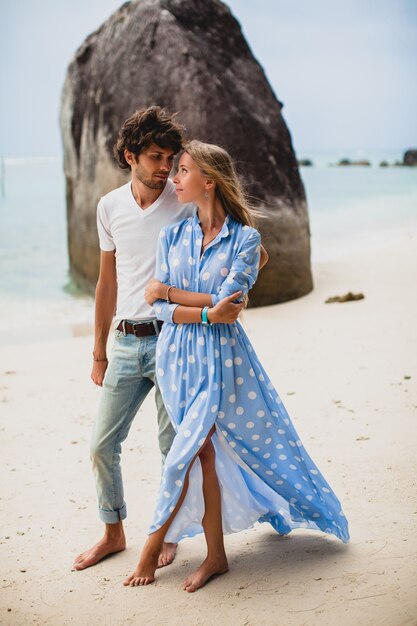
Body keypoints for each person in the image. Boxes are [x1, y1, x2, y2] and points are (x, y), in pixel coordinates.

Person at [123, 140, 349, 592]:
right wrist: (196, 306)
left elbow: (232, 304)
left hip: (222, 357)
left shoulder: (246, 239)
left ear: (209, 181)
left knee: (183, 455)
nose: (174, 178)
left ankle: (152, 545)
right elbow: (169, 312)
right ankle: (217, 557)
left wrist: (170, 292)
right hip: (176, 357)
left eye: (183, 170)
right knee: (203, 453)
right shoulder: (173, 234)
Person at [73, 108, 268, 572]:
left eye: (170, 160)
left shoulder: (183, 198)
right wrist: (98, 350)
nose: (166, 168)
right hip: (125, 340)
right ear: (130, 157)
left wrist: (223, 298)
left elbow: (254, 253)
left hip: (175, 341)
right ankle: (113, 532)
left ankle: (171, 534)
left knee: (173, 447)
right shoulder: (109, 207)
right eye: (156, 158)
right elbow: (107, 283)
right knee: (102, 445)